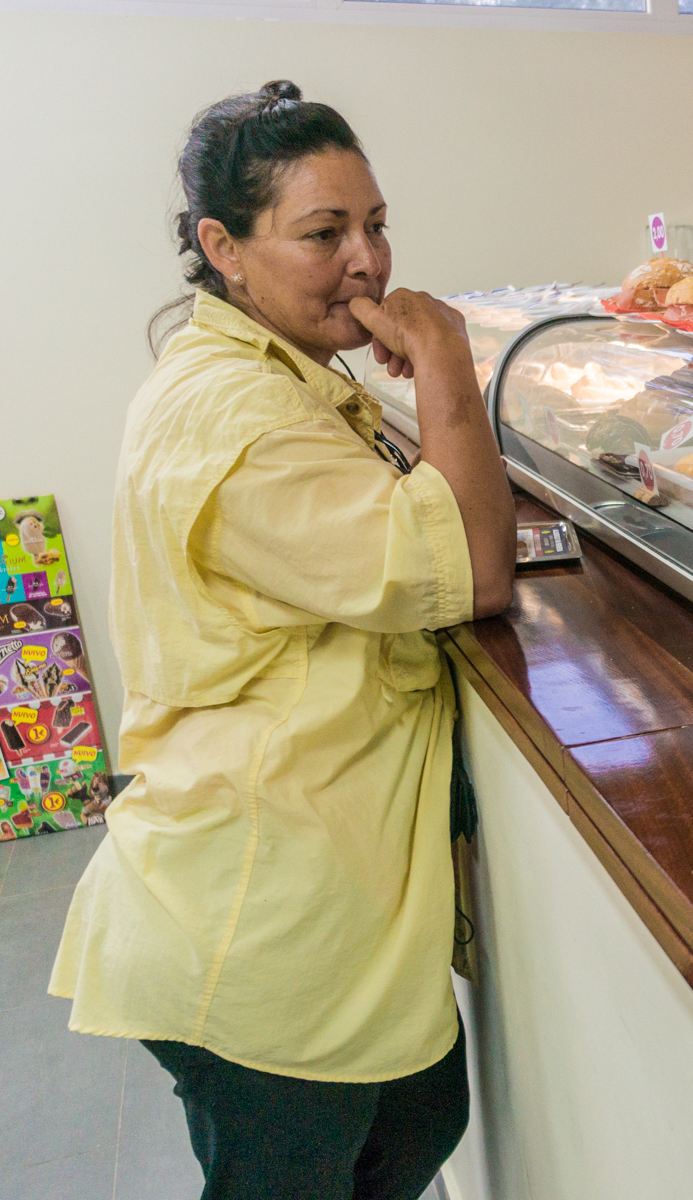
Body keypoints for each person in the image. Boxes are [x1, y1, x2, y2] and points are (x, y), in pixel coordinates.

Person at [48, 80, 516, 1200]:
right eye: (322, 234)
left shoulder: (272, 378)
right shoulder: (235, 415)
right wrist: (448, 365)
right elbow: (474, 568)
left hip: (314, 895)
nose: (368, 260)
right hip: (257, 914)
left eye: (375, 224)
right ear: (226, 249)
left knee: (417, 1119)